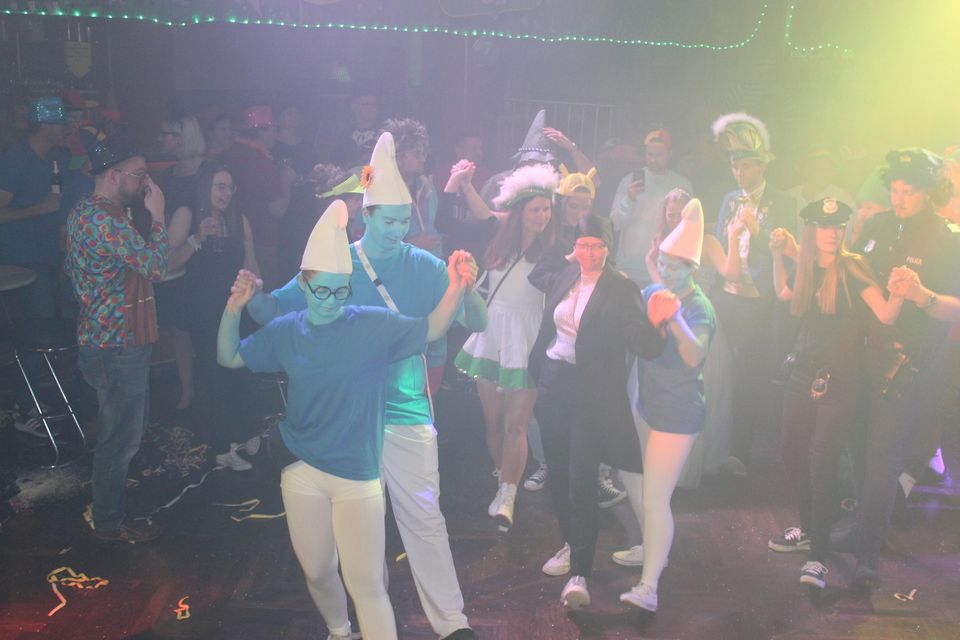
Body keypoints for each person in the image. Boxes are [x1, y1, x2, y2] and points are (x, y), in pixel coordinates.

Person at [247, 132, 484, 640]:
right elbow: (275, 310)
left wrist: (466, 282)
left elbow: (475, 320)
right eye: (389, 220)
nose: (398, 230)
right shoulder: (336, 263)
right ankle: (361, 620)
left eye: (404, 220)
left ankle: (452, 623)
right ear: (366, 214)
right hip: (348, 418)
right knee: (357, 539)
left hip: (405, 408)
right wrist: (248, 295)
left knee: (423, 516)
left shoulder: (423, 265)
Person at [765, 198, 904, 589]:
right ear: (811, 231)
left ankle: (818, 557)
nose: (832, 233)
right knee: (791, 452)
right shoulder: (808, 266)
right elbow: (782, 293)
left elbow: (886, 315)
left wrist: (900, 291)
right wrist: (777, 256)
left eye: (838, 227)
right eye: (824, 227)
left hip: (841, 382)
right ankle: (810, 528)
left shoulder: (853, 267)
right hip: (802, 375)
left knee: (822, 465)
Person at [527, 215, 665, 608]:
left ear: (608, 248)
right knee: (557, 471)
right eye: (583, 245)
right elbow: (539, 274)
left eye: (597, 246)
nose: (589, 253)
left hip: (591, 394)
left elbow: (645, 345)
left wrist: (657, 323)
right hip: (554, 381)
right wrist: (568, 256)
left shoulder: (620, 287)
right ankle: (571, 543)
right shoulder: (565, 275)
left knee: (581, 479)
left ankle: (580, 574)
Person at [846, 148, 960, 588]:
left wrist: (922, 296)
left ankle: (867, 556)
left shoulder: (948, 238)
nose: (899, 198)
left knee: (882, 456)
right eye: (894, 189)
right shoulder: (879, 225)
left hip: (908, 362)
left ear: (930, 192)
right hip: (861, 354)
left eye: (909, 191)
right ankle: (861, 530)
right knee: (856, 448)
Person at [65, 137, 167, 543]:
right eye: (139, 175)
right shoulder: (107, 220)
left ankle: (110, 508)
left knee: (121, 431)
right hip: (117, 342)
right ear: (113, 176)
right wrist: (158, 216)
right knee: (120, 439)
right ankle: (108, 521)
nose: (145, 183)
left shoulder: (86, 210)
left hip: (102, 336)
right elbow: (155, 266)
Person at [618, 198, 717, 613]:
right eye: (663, 263)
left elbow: (694, 355)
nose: (667, 271)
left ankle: (649, 587)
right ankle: (652, 546)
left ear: (692, 269)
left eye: (676, 266)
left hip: (678, 415)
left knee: (656, 498)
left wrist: (673, 317)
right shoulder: (653, 291)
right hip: (647, 404)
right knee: (629, 475)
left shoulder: (698, 307)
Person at [454, 162, 558, 531]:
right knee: (494, 422)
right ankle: (503, 479)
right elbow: (481, 211)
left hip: (528, 336)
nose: (542, 216)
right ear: (519, 212)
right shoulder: (500, 232)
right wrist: (465, 183)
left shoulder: (554, 248)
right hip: (493, 333)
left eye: (547, 209)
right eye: (535, 210)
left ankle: (508, 495)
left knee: (517, 425)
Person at [710, 112, 797, 474]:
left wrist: (757, 231)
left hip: (757, 300)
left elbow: (787, 254)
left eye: (746, 165)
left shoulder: (783, 201)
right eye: (735, 166)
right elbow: (718, 241)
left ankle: (740, 452)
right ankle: (714, 446)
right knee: (718, 369)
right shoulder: (729, 198)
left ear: (762, 165)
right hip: (725, 294)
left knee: (747, 376)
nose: (740, 173)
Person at [178, 163, 261, 470]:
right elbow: (165, 265)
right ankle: (220, 447)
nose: (226, 194)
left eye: (230, 188)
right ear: (206, 187)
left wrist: (260, 296)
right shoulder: (187, 215)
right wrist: (196, 238)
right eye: (220, 186)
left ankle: (244, 432)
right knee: (216, 378)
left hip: (237, 308)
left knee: (244, 371)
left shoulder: (238, 220)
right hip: (205, 310)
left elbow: (251, 263)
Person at [0, 97, 73, 434]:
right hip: (23, 263)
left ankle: (42, 396)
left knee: (49, 329)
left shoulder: (53, 158)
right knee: (34, 332)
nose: (65, 128)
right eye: (60, 123)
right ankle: (26, 408)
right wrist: (40, 209)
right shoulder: (16, 160)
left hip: (49, 258)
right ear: (45, 125)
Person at [155, 113, 208, 410]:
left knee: (204, 325)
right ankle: (187, 390)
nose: (161, 139)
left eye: (167, 133)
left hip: (207, 256)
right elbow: (162, 217)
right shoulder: (169, 175)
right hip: (177, 258)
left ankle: (212, 385)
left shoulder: (209, 171)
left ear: (183, 137)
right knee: (179, 327)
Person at [221, 105, 295, 289]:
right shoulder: (262, 162)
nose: (276, 135)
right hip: (261, 241)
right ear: (262, 131)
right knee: (263, 293)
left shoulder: (228, 154)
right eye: (274, 130)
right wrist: (286, 180)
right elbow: (278, 209)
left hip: (229, 236)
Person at [609, 129, 693, 289]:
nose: (654, 160)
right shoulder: (629, 181)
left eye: (659, 155)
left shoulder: (682, 186)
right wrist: (629, 199)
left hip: (665, 270)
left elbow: (688, 230)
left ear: (670, 154)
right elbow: (614, 224)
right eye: (650, 154)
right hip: (629, 268)